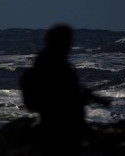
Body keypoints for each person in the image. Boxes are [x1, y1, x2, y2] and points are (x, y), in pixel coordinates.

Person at [20, 23, 110, 154]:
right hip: (61, 126)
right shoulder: (54, 65)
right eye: (67, 41)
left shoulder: (50, 63)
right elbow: (64, 93)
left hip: (56, 124)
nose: (69, 45)